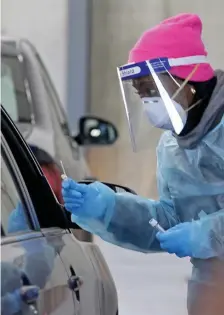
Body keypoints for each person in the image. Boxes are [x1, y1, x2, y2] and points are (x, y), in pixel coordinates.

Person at [62, 13, 224, 314]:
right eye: (140, 93)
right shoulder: (173, 148)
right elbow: (171, 221)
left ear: (187, 79)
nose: (147, 102)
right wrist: (110, 209)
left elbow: (201, 233)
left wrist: (208, 234)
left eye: (152, 89)